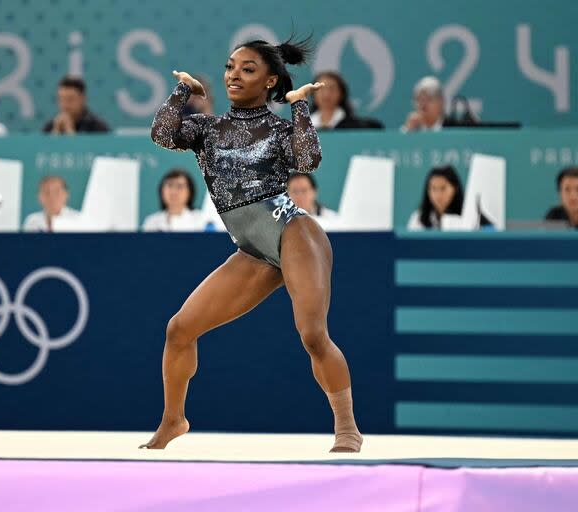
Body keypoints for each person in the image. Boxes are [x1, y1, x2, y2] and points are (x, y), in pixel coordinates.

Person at [141, 37, 362, 453]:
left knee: (313, 335)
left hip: (293, 232)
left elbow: (308, 159)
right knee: (179, 329)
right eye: (229, 67)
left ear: (270, 80)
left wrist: (298, 106)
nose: (233, 76)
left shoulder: (278, 130)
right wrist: (183, 89)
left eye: (247, 69)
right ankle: (174, 419)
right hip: (255, 251)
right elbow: (162, 133)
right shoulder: (206, 129)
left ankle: (347, 427)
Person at [310, 71, 383, 130]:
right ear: (313, 94)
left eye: (332, 89)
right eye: (321, 89)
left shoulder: (355, 126)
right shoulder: (303, 125)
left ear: (341, 94)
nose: (326, 94)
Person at [42, 76, 110, 134]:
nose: (65, 105)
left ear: (83, 99)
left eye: (70, 99)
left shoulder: (98, 128)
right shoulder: (49, 127)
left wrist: (70, 132)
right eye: (61, 99)